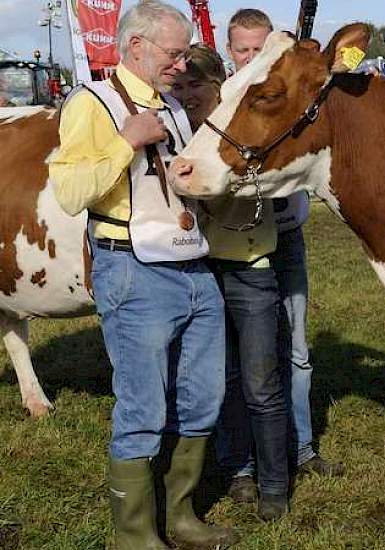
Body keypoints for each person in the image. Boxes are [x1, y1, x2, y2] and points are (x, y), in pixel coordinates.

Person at [48, 2, 235, 548]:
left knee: (202, 397)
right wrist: (124, 141)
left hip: (192, 262)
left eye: (183, 54)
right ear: (137, 47)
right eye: (174, 53)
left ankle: (180, 517)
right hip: (133, 269)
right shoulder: (92, 103)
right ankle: (133, 536)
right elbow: (70, 192)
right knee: (142, 405)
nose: (182, 63)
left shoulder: (174, 107)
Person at [222, 8, 344, 497]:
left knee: (295, 349)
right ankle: (242, 464)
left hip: (286, 235)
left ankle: (302, 447)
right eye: (243, 50)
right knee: (236, 359)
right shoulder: (226, 101)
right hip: (232, 246)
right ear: (230, 51)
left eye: (259, 49)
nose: (251, 58)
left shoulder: (285, 95)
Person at [177, 32, 292, 521]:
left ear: (216, 85)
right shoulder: (178, 130)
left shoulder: (238, 129)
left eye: (194, 90)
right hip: (199, 270)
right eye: (179, 90)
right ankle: (238, 470)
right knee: (221, 380)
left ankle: (274, 484)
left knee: (262, 383)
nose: (186, 99)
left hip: (250, 268)